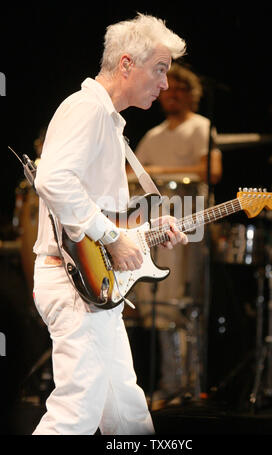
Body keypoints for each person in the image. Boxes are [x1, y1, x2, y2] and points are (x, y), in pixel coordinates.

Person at [31, 14, 187, 435]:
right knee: (75, 413)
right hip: (74, 284)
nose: (166, 84)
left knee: (128, 416)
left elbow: (100, 208)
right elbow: (52, 180)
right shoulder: (87, 109)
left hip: (93, 286)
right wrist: (114, 238)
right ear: (125, 64)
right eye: (160, 69)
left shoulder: (107, 118)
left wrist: (145, 229)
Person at [132, 63, 222, 403]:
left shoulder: (201, 127)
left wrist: (159, 171)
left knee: (189, 303)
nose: (172, 96)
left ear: (192, 94)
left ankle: (192, 385)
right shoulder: (154, 136)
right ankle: (172, 383)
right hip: (157, 228)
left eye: (180, 90)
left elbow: (212, 170)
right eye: (168, 89)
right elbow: (131, 171)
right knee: (161, 308)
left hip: (191, 225)